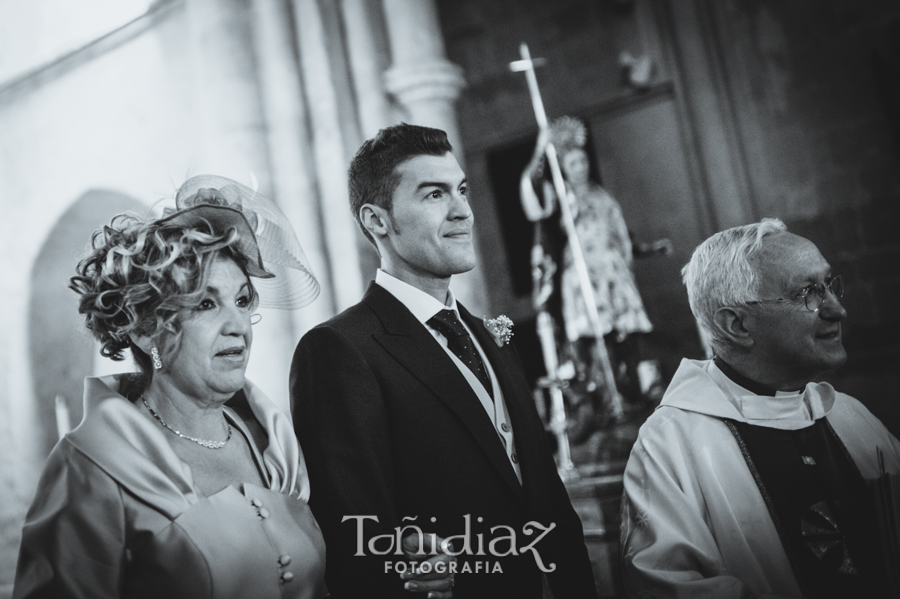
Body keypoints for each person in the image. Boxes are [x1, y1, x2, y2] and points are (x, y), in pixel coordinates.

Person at [12, 175, 449, 599]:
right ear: (145, 329)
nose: (237, 326)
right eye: (206, 303)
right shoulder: (92, 467)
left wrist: (399, 576)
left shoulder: (274, 443)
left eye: (241, 301)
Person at [290, 123, 598, 599]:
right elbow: (356, 537)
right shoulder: (339, 350)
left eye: (462, 190)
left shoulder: (490, 336)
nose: (462, 212)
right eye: (434, 195)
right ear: (377, 220)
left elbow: (546, 495)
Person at [620, 218, 900, 598]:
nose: (837, 310)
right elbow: (669, 586)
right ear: (737, 324)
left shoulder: (849, 417)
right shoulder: (672, 446)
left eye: (830, 285)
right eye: (807, 293)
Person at [520, 116, 670, 418]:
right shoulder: (561, 197)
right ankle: (601, 399)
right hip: (584, 278)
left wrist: (648, 249)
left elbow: (620, 237)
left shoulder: (603, 196)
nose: (581, 167)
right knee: (591, 341)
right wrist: (539, 151)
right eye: (573, 163)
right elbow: (533, 193)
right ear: (564, 167)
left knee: (626, 338)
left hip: (614, 276)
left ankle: (631, 394)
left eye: (583, 161)